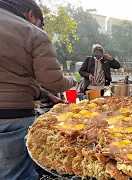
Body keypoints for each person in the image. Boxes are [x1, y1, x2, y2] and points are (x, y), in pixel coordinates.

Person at [0, 0, 76, 179]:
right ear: (31, 14)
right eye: (40, 23)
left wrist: (45, 94)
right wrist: (72, 81)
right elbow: (54, 81)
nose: (39, 27)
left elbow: (10, 74)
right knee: (15, 174)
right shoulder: (31, 32)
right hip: (11, 117)